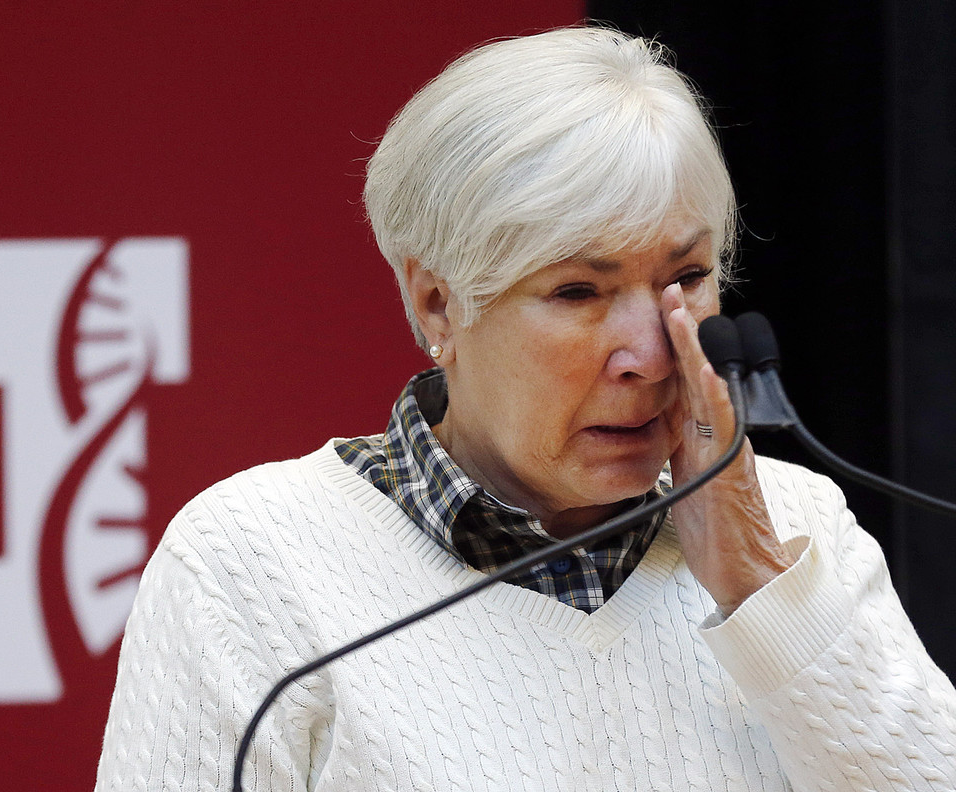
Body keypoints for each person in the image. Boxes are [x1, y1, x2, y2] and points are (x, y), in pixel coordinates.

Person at [94, 27, 956, 791]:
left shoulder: (796, 525)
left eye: (687, 278)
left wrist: (761, 593)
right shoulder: (254, 561)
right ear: (438, 305)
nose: (652, 353)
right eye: (579, 290)